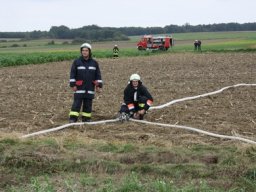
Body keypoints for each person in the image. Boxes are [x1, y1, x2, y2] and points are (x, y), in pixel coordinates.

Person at [69, 43, 103, 123]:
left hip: (90, 87)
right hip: (79, 87)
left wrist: (98, 86)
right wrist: (73, 85)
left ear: (89, 52)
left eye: (86, 50)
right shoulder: (76, 62)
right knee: (76, 104)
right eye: (83, 50)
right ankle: (73, 119)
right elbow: (72, 74)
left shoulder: (94, 63)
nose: (84, 52)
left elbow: (98, 75)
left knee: (88, 105)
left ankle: (86, 119)